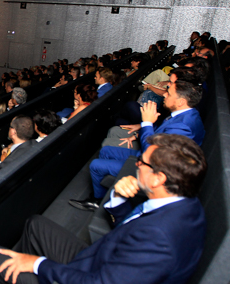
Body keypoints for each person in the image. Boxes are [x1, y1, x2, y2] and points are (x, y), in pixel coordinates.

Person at [0, 134, 207, 284]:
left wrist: (37, 265)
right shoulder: (184, 203)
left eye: (142, 162)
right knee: (35, 224)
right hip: (102, 261)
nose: (137, 164)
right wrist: (118, 197)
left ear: (159, 178)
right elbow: (130, 231)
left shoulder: (160, 237)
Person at [71, 80, 205, 211]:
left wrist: (147, 123)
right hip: (145, 156)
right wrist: (139, 132)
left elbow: (153, 154)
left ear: (181, 101)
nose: (164, 94)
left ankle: (97, 200)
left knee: (95, 165)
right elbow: (161, 132)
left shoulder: (183, 126)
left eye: (169, 93)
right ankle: (107, 186)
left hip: (152, 168)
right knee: (106, 150)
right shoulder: (185, 114)